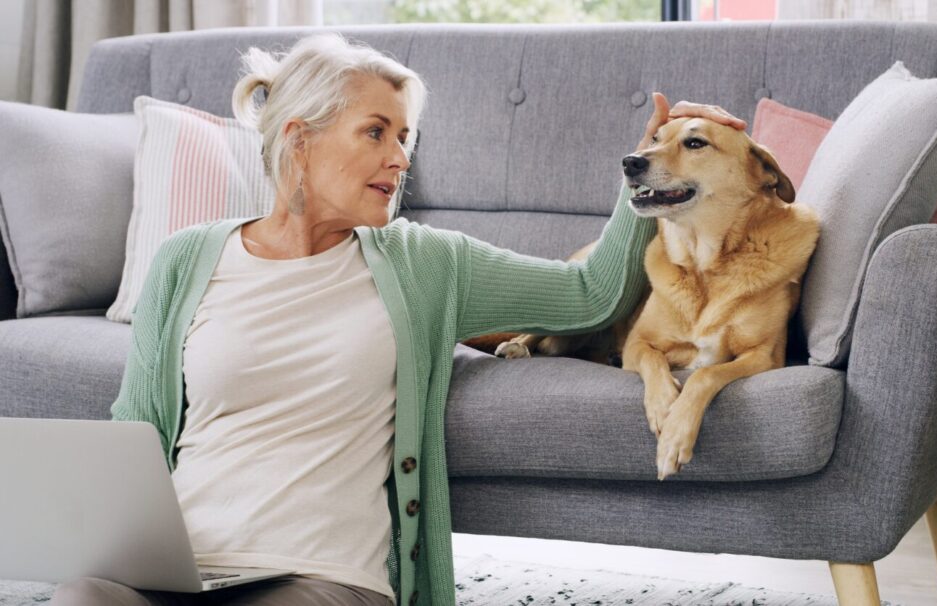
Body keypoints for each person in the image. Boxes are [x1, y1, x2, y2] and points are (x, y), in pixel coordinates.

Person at [51, 33, 746, 606]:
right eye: (377, 132)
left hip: (316, 579)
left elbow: (589, 294)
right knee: (80, 598)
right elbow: (136, 433)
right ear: (300, 140)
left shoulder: (422, 261)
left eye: (405, 136)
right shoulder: (185, 259)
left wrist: (647, 172)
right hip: (180, 568)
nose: (400, 157)